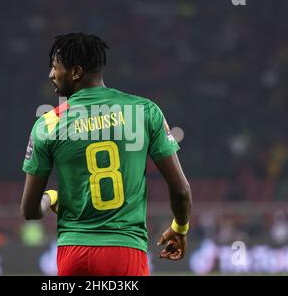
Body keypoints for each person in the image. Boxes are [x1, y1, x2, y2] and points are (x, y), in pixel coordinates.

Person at [21, 33, 192, 276]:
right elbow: (181, 190)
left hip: (73, 254)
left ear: (76, 72)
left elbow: (30, 210)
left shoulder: (48, 124)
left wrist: (51, 196)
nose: (51, 74)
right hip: (125, 252)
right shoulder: (144, 111)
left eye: (55, 67)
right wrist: (180, 227)